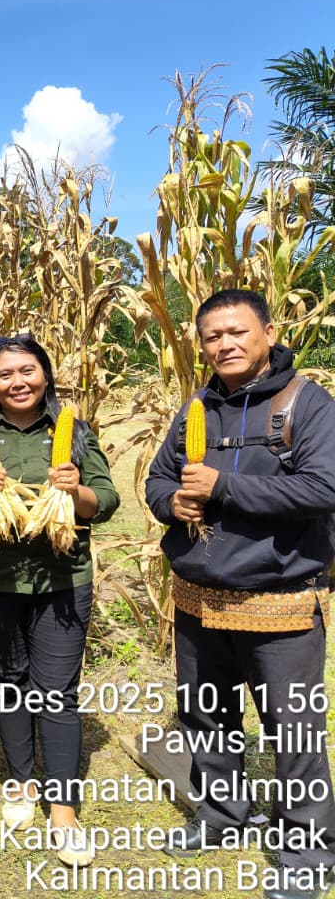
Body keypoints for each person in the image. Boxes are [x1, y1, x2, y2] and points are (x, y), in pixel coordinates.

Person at [145, 289, 335, 899]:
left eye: (236, 332)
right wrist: (169, 501)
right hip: (200, 597)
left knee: (292, 727)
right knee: (207, 716)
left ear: (268, 334)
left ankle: (309, 849)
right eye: (211, 337)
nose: (223, 345)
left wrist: (224, 487)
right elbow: (157, 478)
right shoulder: (196, 406)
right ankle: (223, 817)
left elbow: (323, 487)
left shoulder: (305, 403)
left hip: (278, 600)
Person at [0, 333, 117, 868]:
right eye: (4, 374)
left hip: (62, 582)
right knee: (10, 683)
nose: (18, 382)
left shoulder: (75, 432)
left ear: (46, 374)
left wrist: (75, 490)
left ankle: (63, 811)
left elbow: (104, 500)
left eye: (28, 370)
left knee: (57, 692)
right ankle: (20, 784)